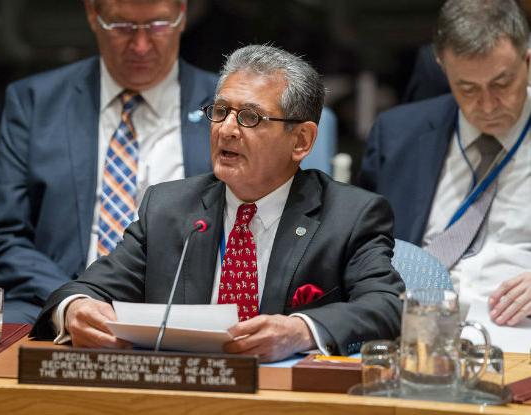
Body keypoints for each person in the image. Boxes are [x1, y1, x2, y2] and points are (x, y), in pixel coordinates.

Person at [31, 44, 404, 362]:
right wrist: (75, 309)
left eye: (250, 117)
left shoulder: (349, 215)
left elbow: (388, 307)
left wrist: (300, 330)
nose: (226, 129)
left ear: (301, 141)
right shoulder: (169, 207)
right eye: (221, 111)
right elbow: (83, 290)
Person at [0, 0, 218, 323]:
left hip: (187, 313)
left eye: (157, 26)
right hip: (58, 301)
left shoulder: (229, 107)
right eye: (122, 27)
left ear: (182, 15)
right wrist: (71, 300)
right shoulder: (36, 103)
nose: (141, 46)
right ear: (92, 15)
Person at [360, 0, 531, 325]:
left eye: (501, 84)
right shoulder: (397, 135)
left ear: (527, 60)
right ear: (443, 68)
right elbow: (361, 247)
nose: (487, 105)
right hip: (412, 326)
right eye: (467, 88)